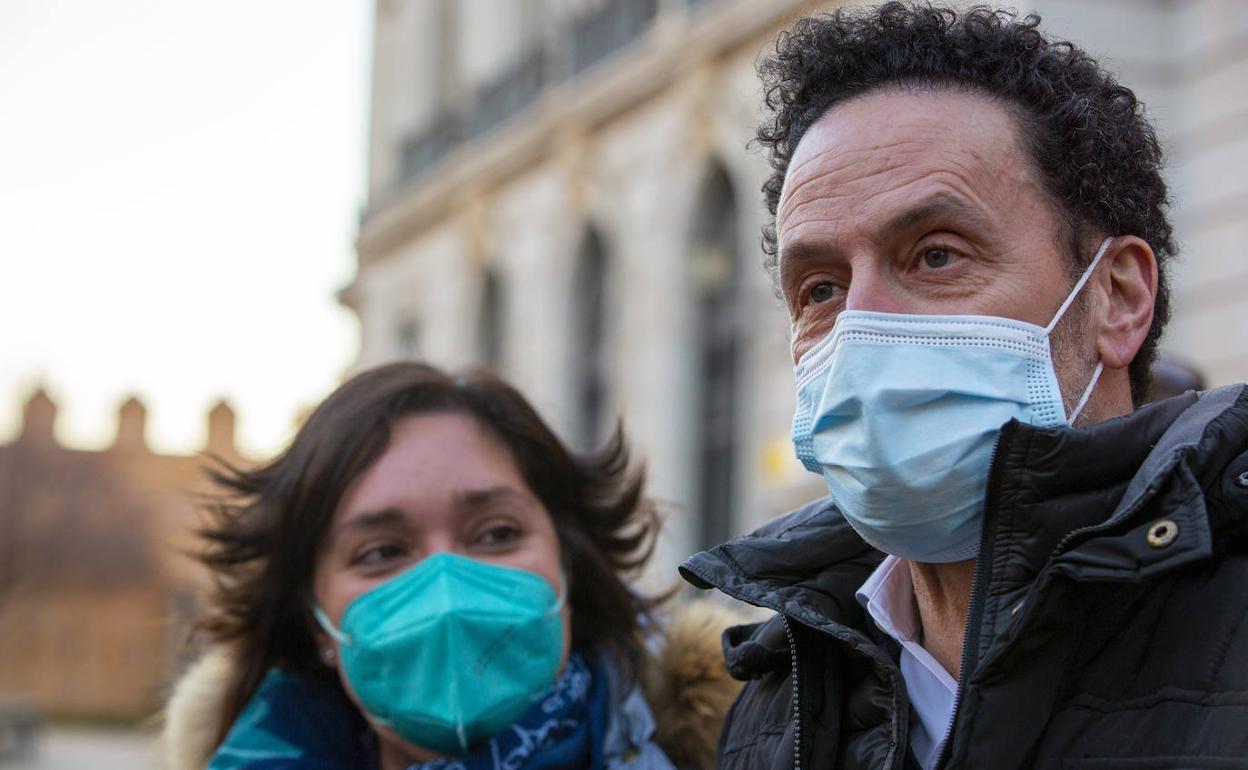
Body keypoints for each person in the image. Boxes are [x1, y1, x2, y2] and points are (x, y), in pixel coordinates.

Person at [680, 4, 1248, 768]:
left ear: (1116, 297)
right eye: (820, 289)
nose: (862, 328)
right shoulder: (774, 704)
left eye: (937, 256)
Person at [162, 362, 741, 770]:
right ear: (316, 621)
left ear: (568, 564)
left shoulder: (763, 746)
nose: (446, 587)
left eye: (496, 533)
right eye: (382, 552)